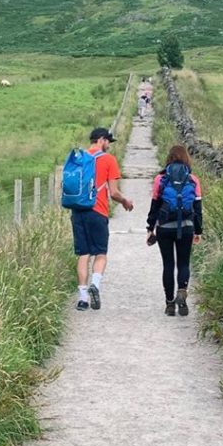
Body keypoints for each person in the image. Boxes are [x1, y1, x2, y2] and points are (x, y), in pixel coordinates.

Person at [71, 126, 134, 311]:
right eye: (108, 142)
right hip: (97, 211)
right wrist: (125, 201)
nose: (109, 145)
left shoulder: (78, 158)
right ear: (101, 140)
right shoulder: (108, 160)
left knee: (83, 254)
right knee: (100, 253)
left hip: (77, 211)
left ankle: (82, 298)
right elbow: (113, 192)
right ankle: (95, 284)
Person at [146, 145, 203, 316]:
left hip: (164, 227)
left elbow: (154, 207)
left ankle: (170, 304)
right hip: (186, 226)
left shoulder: (160, 179)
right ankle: (182, 292)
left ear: (169, 159)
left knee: (168, 265)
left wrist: (150, 228)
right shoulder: (193, 179)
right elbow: (197, 209)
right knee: (184, 263)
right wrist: (198, 231)